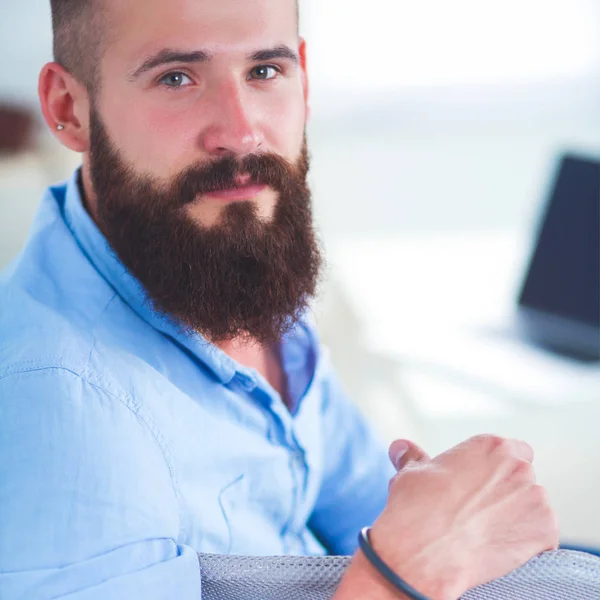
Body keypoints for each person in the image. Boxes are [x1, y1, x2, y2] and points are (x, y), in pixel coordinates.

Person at [0, 0, 559, 598]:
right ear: (69, 109)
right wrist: (404, 571)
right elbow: (405, 551)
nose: (241, 133)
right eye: (176, 77)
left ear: (304, 78)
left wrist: (454, 520)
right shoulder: (61, 409)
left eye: (265, 71)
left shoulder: (225, 264)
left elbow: (365, 504)